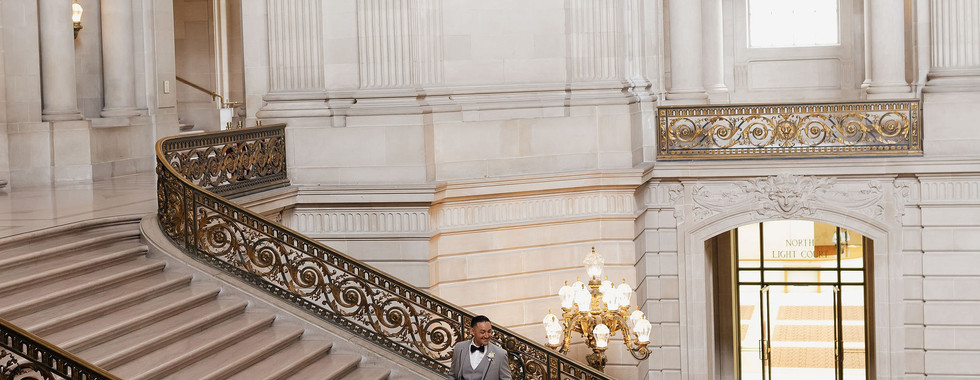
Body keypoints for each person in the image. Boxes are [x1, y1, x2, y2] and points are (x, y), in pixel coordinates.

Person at [448, 315, 512, 380]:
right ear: (472, 331)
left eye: (489, 332)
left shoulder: (500, 354)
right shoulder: (459, 348)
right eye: (482, 332)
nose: (487, 336)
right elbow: (452, 375)